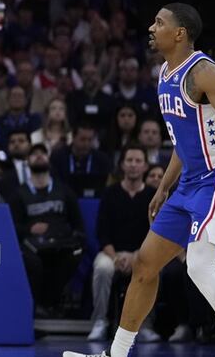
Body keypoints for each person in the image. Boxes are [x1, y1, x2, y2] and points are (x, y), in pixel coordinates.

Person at [66, 4, 215, 357]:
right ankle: (115, 355)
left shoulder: (203, 72)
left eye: (159, 23)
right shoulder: (165, 71)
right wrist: (165, 186)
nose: (151, 27)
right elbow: (185, 140)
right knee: (145, 264)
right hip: (188, 183)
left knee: (198, 267)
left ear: (179, 33)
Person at [88, 145, 154, 341]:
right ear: (122, 165)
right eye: (129, 161)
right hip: (112, 252)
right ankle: (100, 321)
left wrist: (136, 256)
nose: (133, 165)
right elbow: (102, 232)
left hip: (141, 253)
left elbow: (155, 233)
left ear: (145, 166)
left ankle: (144, 325)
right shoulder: (110, 193)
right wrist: (116, 257)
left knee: (151, 269)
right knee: (102, 268)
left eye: (138, 161)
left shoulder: (152, 195)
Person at [11, 144, 84, 316]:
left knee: (74, 256)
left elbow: (78, 224)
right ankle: (37, 307)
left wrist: (62, 232)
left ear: (48, 158)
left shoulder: (64, 191)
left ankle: (51, 304)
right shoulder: (19, 194)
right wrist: (29, 229)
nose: (39, 156)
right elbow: (12, 227)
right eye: (34, 154)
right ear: (27, 161)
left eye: (42, 153)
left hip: (60, 243)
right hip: (31, 246)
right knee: (34, 263)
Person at [52, 123, 113, 198]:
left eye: (90, 140)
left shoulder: (102, 160)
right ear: (73, 138)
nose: (86, 144)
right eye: (82, 139)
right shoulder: (58, 157)